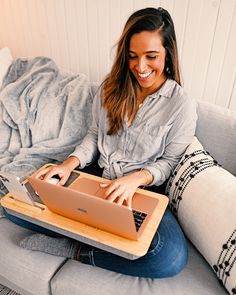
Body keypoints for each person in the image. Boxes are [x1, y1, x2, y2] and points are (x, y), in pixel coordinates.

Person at [5, 7, 197, 278]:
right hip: (96, 176)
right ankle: (95, 229)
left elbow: (169, 163)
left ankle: (77, 249)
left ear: (168, 54)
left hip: (140, 192)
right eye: (132, 57)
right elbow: (95, 136)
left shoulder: (181, 106)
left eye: (151, 56)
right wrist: (68, 164)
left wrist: (135, 179)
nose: (140, 67)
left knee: (170, 257)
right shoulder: (111, 87)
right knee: (15, 203)